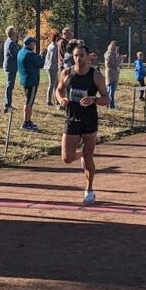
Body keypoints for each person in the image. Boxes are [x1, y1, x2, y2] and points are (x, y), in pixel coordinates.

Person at [56, 43, 109, 205]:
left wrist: (94, 99)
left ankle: (89, 189)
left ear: (88, 57)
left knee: (89, 157)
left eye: (81, 55)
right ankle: (81, 155)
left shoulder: (96, 76)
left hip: (89, 120)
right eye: (75, 56)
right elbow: (58, 90)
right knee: (67, 158)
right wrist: (61, 99)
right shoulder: (67, 73)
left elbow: (106, 99)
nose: (78, 59)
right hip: (72, 118)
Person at [2, 26, 20, 109]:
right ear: (12, 33)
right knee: (10, 85)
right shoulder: (11, 43)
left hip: (9, 66)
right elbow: (15, 55)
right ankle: (7, 104)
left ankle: (8, 103)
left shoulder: (8, 41)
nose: (16, 33)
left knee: (10, 85)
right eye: (15, 32)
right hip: (11, 67)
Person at [43, 32, 61, 106]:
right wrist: (59, 60)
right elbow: (52, 59)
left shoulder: (51, 45)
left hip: (51, 67)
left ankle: (56, 100)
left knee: (56, 84)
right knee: (52, 84)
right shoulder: (54, 47)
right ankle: (48, 101)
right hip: (52, 67)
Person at [104, 41, 122, 109]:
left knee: (110, 90)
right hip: (112, 75)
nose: (116, 50)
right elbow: (114, 64)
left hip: (112, 74)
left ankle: (108, 104)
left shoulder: (111, 54)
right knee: (111, 91)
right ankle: (111, 105)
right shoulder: (109, 55)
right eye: (115, 48)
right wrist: (120, 58)